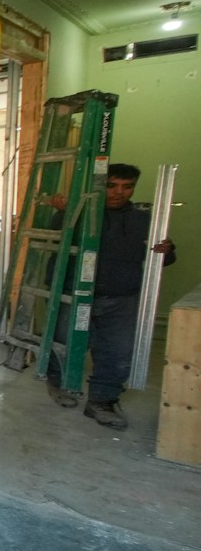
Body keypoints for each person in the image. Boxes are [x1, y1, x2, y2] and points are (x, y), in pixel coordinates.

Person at [43, 163, 176, 428]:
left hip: (122, 298)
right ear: (100, 186)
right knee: (65, 343)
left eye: (127, 187)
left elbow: (164, 259)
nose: (119, 192)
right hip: (77, 294)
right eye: (112, 186)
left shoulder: (143, 220)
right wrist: (62, 212)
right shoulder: (79, 213)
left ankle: (102, 401)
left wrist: (167, 250)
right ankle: (60, 384)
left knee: (117, 353)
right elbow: (54, 242)